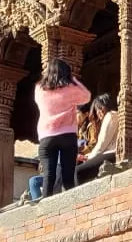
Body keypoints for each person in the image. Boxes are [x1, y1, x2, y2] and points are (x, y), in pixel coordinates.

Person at [34, 59, 90, 197]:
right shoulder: (70, 89)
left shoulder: (40, 89)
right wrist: (74, 80)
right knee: (68, 176)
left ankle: (45, 204)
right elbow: (87, 97)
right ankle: (68, 205)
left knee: (49, 175)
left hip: (46, 136)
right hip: (67, 135)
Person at [77, 93, 119, 183]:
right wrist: (87, 156)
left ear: (102, 108)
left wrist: (88, 157)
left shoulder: (110, 116)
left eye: (97, 110)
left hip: (112, 153)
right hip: (107, 152)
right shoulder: (113, 115)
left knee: (78, 172)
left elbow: (102, 144)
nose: (98, 114)